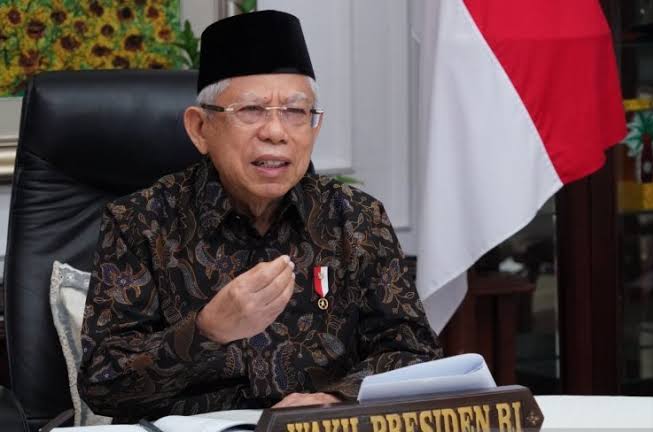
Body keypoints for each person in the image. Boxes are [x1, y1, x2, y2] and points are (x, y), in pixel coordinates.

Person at [78, 10, 441, 423]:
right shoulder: (141, 221)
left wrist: (336, 400)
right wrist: (205, 331)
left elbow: (415, 353)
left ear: (314, 127)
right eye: (251, 110)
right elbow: (103, 386)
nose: (275, 132)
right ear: (200, 129)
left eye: (295, 112)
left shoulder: (355, 220)